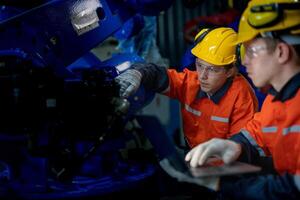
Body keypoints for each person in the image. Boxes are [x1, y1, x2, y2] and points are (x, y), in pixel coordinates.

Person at [182, 0, 300, 199]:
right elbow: (258, 133)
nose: (244, 62)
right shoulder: (276, 101)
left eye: (251, 51)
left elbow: (294, 187)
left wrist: (232, 189)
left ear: (281, 52)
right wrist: (235, 145)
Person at [115, 27, 258, 149]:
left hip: (225, 168)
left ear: (231, 71)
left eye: (213, 70)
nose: (202, 76)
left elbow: (240, 147)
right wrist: (137, 72)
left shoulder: (242, 97)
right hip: (193, 156)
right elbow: (158, 75)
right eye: (200, 65)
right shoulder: (191, 82)